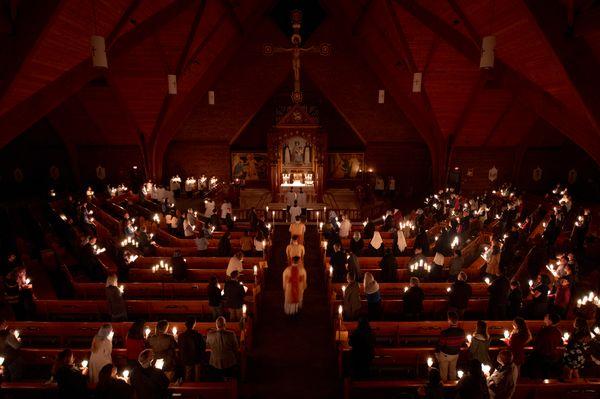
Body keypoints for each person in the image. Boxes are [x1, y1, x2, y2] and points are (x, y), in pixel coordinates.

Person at [526, 312, 563, 379]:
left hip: (542, 355)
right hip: (552, 354)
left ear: (550, 321)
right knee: (546, 373)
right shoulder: (558, 331)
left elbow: (538, 343)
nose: (544, 318)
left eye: (546, 317)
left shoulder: (545, 330)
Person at [435, 311, 465, 382]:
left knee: (443, 373)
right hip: (456, 354)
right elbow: (461, 342)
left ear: (449, 320)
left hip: (445, 354)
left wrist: (436, 353)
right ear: (457, 321)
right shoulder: (462, 332)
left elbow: (440, 344)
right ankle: (453, 387)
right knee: (453, 371)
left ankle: (444, 387)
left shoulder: (445, 333)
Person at [179, 316, 207, 382]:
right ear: (194, 324)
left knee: (188, 375)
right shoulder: (198, 335)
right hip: (197, 358)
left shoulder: (181, 336)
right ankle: (197, 389)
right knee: (198, 376)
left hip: (187, 358)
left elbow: (180, 347)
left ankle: (188, 389)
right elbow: (203, 347)